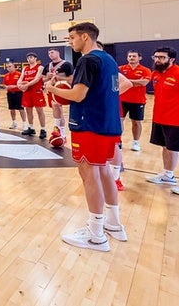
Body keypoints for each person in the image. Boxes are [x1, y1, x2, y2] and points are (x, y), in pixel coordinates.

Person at [45, 22, 126, 252]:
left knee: (89, 173)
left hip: (89, 124)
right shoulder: (108, 59)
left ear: (84, 37)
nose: (70, 42)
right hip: (107, 124)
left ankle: (95, 234)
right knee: (103, 171)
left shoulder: (87, 60)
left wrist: (54, 90)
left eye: (72, 37)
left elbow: (78, 95)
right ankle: (113, 223)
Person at [145, 47, 179, 193]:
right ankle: (168, 175)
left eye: (162, 58)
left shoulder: (177, 73)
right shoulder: (155, 74)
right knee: (166, 147)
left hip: (175, 120)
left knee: (175, 149)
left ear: (171, 59)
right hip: (159, 118)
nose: (157, 60)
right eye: (156, 57)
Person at [118, 50, 151, 152]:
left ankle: (136, 142)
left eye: (134, 56)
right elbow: (116, 80)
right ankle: (118, 141)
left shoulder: (145, 70)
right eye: (130, 56)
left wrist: (126, 81)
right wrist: (136, 81)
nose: (131, 58)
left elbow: (144, 83)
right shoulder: (120, 69)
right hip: (121, 99)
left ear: (139, 58)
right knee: (119, 121)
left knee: (136, 122)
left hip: (137, 101)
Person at [43, 48, 73, 139]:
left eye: (52, 52)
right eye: (49, 53)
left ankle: (61, 132)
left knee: (59, 109)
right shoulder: (47, 66)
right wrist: (47, 77)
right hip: (51, 90)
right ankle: (59, 131)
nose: (50, 54)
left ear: (58, 53)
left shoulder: (67, 65)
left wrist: (59, 77)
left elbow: (71, 79)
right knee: (56, 108)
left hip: (63, 89)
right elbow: (43, 80)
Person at [18, 52, 47, 138]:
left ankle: (43, 129)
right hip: (27, 92)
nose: (29, 59)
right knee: (28, 111)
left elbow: (37, 79)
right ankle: (31, 128)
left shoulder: (40, 67)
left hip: (36, 91)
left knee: (39, 111)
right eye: (28, 58)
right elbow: (20, 78)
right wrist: (19, 84)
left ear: (35, 58)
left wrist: (25, 85)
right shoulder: (25, 68)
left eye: (31, 57)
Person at [2, 62, 28, 131]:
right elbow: (4, 85)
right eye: (7, 67)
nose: (8, 68)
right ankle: (14, 123)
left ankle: (25, 124)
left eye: (10, 66)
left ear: (14, 67)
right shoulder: (6, 75)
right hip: (10, 94)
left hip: (18, 93)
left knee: (21, 109)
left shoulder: (19, 74)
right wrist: (7, 87)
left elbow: (24, 83)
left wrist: (15, 86)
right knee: (12, 109)